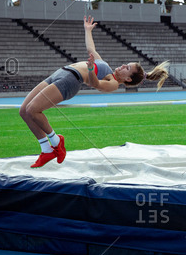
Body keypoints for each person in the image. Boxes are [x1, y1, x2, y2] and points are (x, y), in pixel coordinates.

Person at [19, 15, 170, 168]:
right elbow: (91, 49)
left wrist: (91, 70)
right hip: (61, 72)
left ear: (128, 79)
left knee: (33, 110)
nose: (123, 65)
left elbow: (95, 83)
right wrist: (88, 30)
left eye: (127, 68)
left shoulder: (113, 83)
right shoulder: (106, 66)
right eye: (126, 64)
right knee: (24, 111)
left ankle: (57, 141)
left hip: (71, 80)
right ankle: (46, 149)